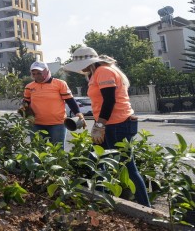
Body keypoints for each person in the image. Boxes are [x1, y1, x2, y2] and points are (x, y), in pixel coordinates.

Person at [63, 46, 151, 207]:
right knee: (95, 158)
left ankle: (146, 208)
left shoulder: (103, 72)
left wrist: (99, 124)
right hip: (114, 123)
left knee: (128, 167)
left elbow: (110, 100)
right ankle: (102, 197)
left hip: (116, 124)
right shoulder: (99, 72)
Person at [23, 61, 86, 148]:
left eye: (39, 73)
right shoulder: (29, 87)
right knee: (38, 152)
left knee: (58, 153)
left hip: (58, 124)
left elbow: (69, 100)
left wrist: (78, 113)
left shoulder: (60, 84)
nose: (36, 76)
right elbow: (26, 102)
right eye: (34, 74)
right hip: (36, 124)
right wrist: (27, 116)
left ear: (47, 71)